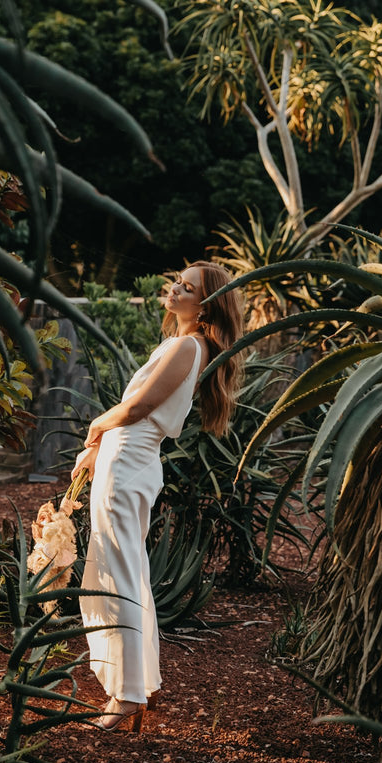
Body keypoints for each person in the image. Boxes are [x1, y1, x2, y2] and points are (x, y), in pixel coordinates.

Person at [71, 260, 244, 732]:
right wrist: (96, 451)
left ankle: (126, 695)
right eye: (176, 282)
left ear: (205, 305)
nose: (174, 289)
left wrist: (96, 426)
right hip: (124, 460)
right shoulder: (181, 343)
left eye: (187, 288)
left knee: (120, 573)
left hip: (130, 464)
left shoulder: (188, 346)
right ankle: (135, 687)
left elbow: (139, 408)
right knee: (121, 569)